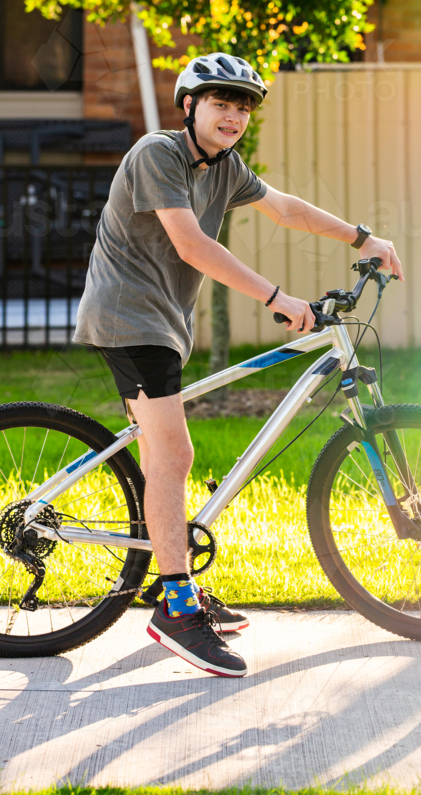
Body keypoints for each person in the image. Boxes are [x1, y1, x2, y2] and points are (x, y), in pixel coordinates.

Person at [74, 52, 403, 677]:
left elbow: (288, 209)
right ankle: (175, 606)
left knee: (162, 451)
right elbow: (192, 244)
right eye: (221, 103)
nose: (233, 117)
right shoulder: (157, 154)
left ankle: (174, 579)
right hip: (128, 316)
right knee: (173, 456)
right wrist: (279, 299)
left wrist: (365, 239)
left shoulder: (224, 167)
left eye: (243, 107)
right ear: (191, 106)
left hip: (161, 322)